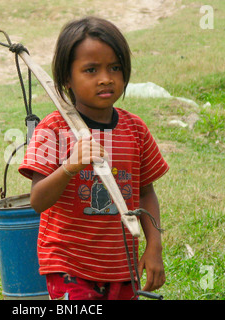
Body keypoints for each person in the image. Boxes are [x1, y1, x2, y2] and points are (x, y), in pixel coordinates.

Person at [18, 16, 169, 300]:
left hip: (122, 267)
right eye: (90, 70)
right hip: (68, 266)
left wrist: (154, 246)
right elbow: (38, 200)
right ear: (66, 78)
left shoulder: (134, 129)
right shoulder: (53, 130)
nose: (106, 78)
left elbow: (146, 192)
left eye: (115, 67)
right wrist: (70, 167)